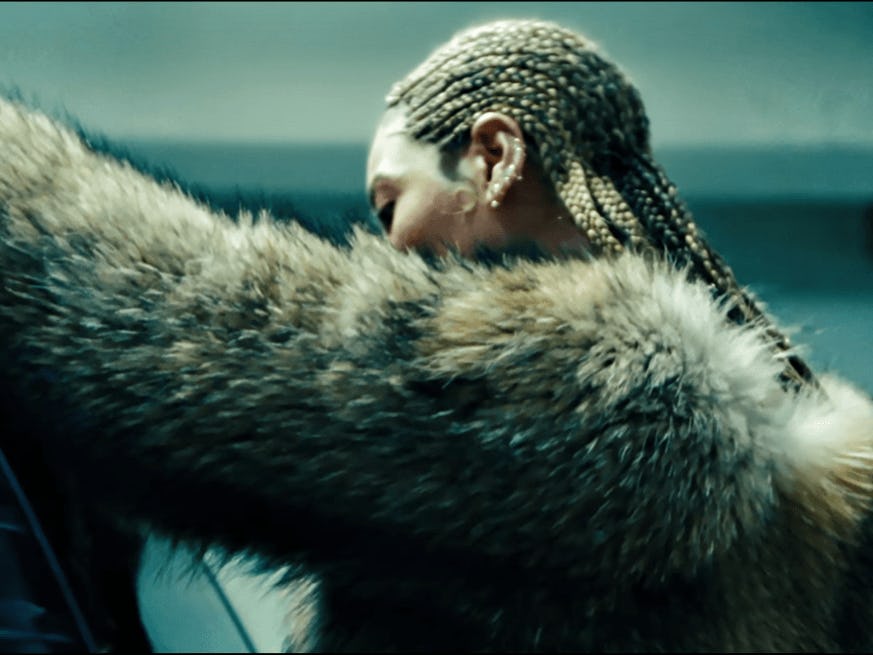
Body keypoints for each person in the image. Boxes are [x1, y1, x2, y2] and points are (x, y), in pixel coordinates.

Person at [1, 17, 872, 652]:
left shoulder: (602, 385)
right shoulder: (802, 478)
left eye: (391, 204)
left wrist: (18, 177)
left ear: (494, 155)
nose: (385, 249)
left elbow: (167, 329)